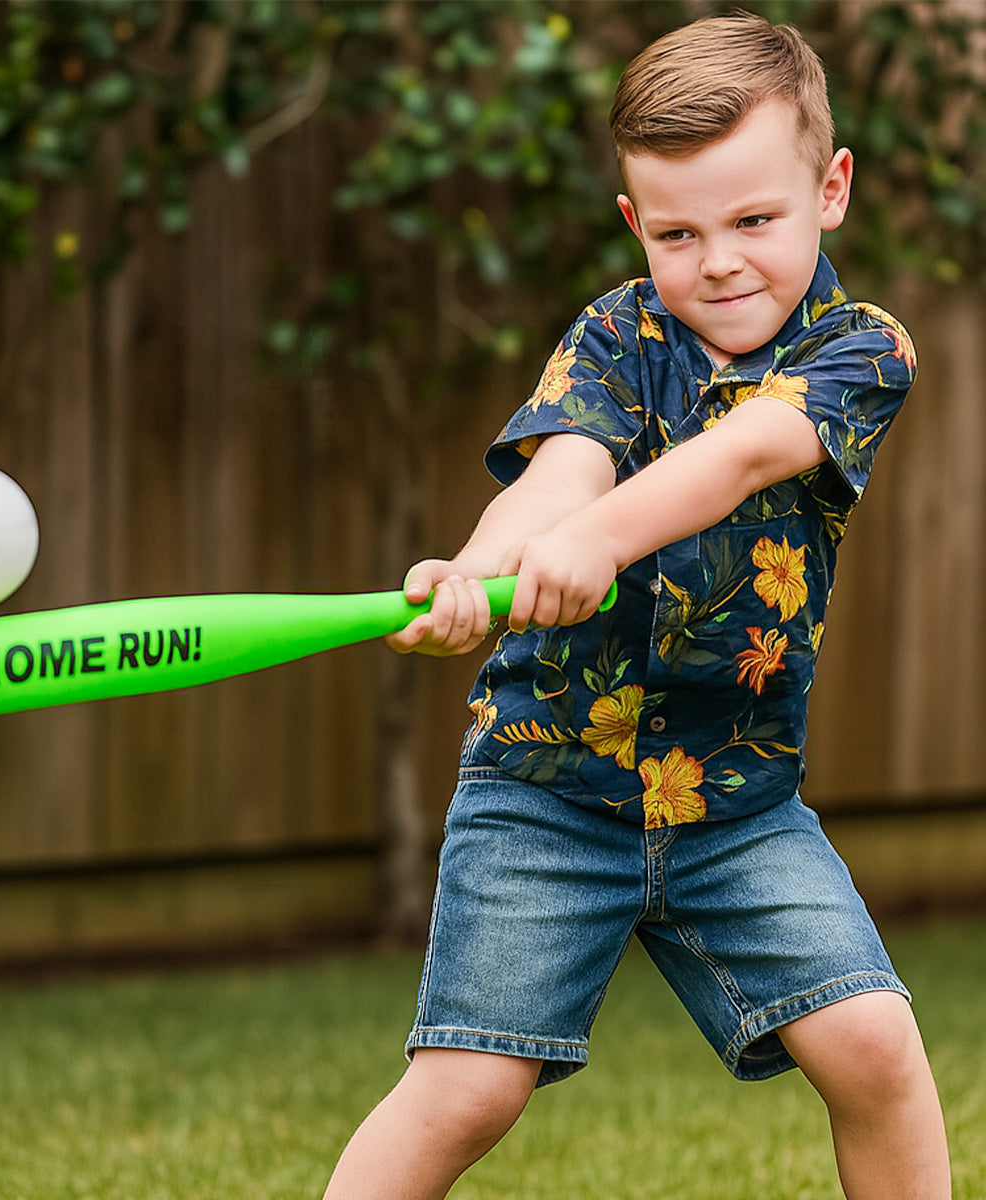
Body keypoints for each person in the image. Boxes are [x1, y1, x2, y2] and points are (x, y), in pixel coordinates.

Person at [323, 12, 951, 1200]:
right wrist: (476, 570)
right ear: (634, 224)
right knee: (467, 1090)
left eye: (754, 221)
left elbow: (744, 457)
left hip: (737, 803)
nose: (718, 262)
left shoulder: (861, 350)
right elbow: (564, 467)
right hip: (544, 791)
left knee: (873, 1043)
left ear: (832, 188)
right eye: (678, 232)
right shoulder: (618, 332)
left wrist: (592, 546)